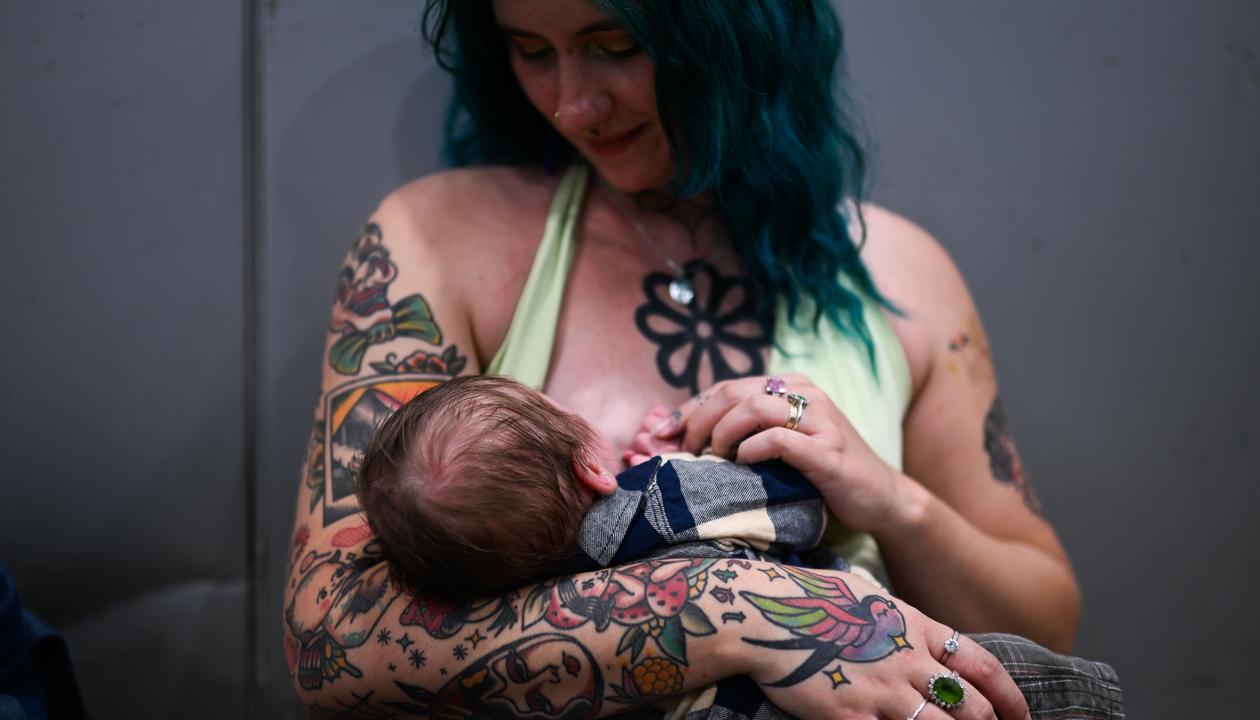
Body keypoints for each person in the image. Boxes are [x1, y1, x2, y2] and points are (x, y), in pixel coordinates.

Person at [284, 1, 1124, 718]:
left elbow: (1044, 628)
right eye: (531, 51)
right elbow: (333, 639)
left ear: (733, 27)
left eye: (615, 47)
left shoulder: (905, 280)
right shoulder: (438, 239)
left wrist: (894, 503)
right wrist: (753, 612)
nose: (573, 106)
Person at [355, 374, 844, 604]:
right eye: (563, 411)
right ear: (591, 468)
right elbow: (799, 508)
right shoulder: (667, 492)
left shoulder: (546, 596)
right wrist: (693, 461)